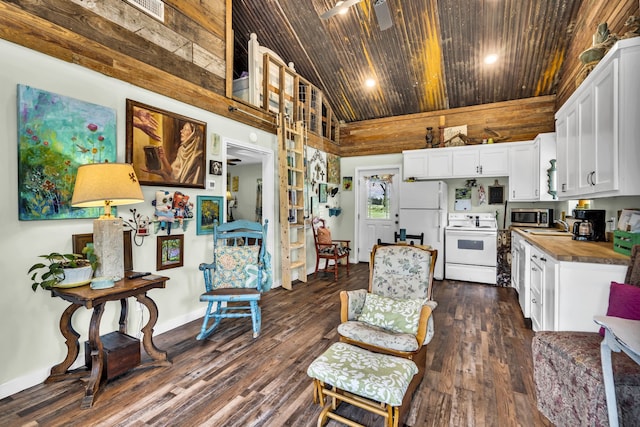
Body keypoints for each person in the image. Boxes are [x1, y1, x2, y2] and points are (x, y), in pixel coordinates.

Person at [143, 120, 205, 185]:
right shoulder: (181, 150)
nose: (181, 131)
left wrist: (163, 174)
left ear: (193, 134)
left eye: (185, 129)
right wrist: (163, 158)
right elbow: (173, 174)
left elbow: (185, 183)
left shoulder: (198, 156)